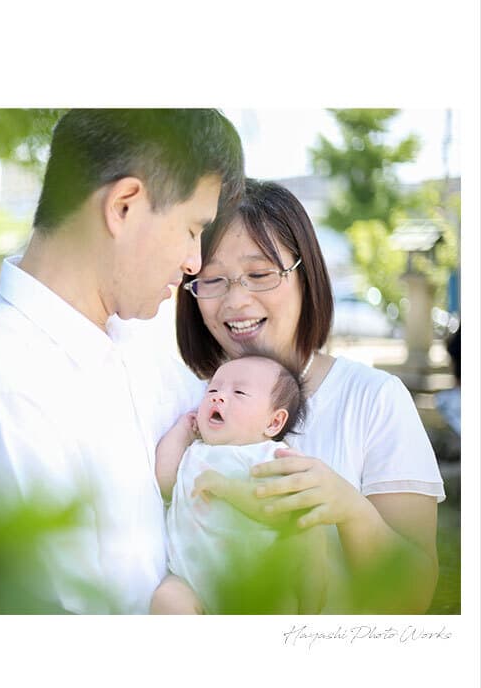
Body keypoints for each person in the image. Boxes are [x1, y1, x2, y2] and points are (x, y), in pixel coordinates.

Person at [0, 109, 245, 614]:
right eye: (192, 229)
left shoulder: (139, 337)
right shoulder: (8, 392)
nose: (194, 261)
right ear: (123, 206)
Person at [161, 178, 444, 615]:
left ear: (306, 275)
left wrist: (349, 509)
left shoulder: (373, 399)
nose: (236, 300)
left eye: (259, 274)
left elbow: (414, 595)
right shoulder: (183, 399)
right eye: (212, 279)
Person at [154, 352, 327, 614]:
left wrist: (227, 488)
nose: (218, 396)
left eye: (239, 393)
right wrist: (181, 431)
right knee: (167, 598)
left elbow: (279, 510)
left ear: (273, 422)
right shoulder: (195, 449)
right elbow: (165, 480)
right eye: (212, 389)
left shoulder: (271, 456)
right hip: (191, 580)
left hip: (255, 582)